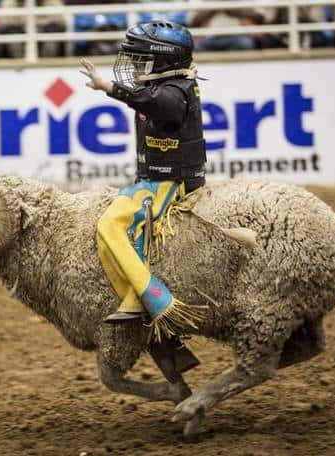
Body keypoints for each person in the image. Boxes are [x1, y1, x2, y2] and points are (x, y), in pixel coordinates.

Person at [80, 21, 205, 372]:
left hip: (170, 182)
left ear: (162, 61)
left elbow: (156, 103)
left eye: (139, 60)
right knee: (108, 239)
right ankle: (135, 300)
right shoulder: (168, 85)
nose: (132, 67)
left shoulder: (176, 91)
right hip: (151, 181)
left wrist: (109, 87)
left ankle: (156, 299)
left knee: (111, 222)